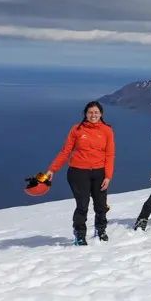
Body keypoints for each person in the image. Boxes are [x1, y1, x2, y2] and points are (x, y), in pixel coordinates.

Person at [45, 100, 115, 245]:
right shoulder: (76, 129)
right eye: (90, 112)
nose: (93, 115)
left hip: (99, 172)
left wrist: (108, 176)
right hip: (78, 173)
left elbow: (110, 155)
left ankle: (100, 230)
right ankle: (79, 234)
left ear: (101, 114)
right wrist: (53, 169)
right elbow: (65, 151)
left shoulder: (107, 130)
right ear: (85, 114)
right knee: (82, 205)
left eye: (96, 112)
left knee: (101, 205)